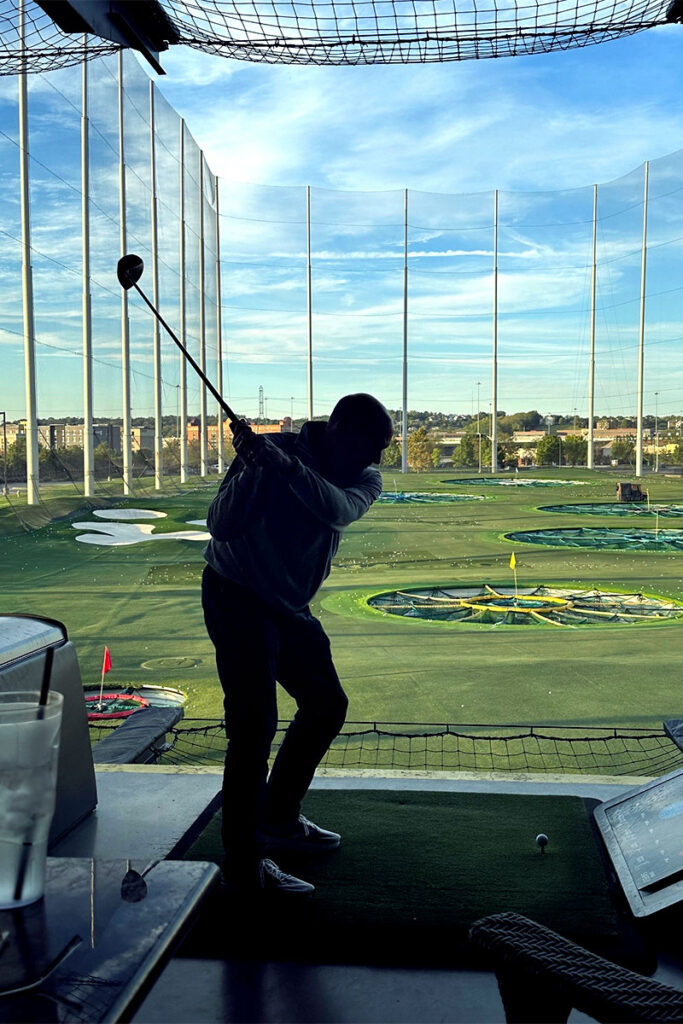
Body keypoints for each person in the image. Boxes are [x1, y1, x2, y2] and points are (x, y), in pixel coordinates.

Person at [202, 393, 394, 896]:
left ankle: (279, 820)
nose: (375, 461)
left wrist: (283, 467)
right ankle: (244, 864)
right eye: (369, 446)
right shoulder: (265, 454)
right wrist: (251, 470)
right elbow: (219, 525)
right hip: (237, 594)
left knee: (326, 704)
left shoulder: (360, 478)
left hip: (286, 604)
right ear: (335, 430)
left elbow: (336, 509)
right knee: (253, 726)